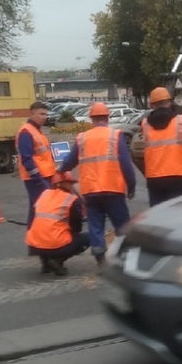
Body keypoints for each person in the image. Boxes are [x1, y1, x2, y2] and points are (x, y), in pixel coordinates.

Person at [58, 102, 136, 267]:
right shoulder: (115, 135)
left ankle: (100, 255)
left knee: (95, 224)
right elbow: (126, 164)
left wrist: (60, 169)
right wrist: (132, 185)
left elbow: (69, 162)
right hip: (113, 189)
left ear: (91, 118)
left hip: (91, 191)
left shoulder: (82, 138)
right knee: (122, 223)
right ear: (107, 118)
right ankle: (126, 254)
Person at [137, 87, 182, 207]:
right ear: (169, 102)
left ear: (152, 105)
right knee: (178, 216)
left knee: (159, 218)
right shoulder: (180, 121)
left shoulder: (145, 124)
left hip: (154, 179)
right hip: (177, 176)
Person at [25, 171, 90, 277]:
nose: (72, 186)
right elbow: (77, 227)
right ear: (62, 183)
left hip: (34, 245)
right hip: (54, 244)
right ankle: (57, 260)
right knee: (89, 237)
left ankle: (45, 261)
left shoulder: (44, 194)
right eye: (70, 183)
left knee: (47, 234)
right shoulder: (71, 199)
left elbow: (35, 218)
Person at [16, 101, 55, 227]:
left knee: (38, 207)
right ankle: (35, 236)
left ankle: (34, 236)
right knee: (40, 207)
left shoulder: (36, 131)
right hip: (37, 178)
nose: (44, 117)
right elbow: (27, 160)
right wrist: (39, 181)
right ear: (32, 113)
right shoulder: (27, 132)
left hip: (45, 176)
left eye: (46, 114)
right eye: (41, 114)